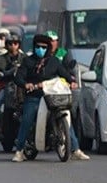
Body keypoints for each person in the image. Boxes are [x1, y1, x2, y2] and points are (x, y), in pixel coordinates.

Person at [11, 34, 90, 163]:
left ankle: (75, 150)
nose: (40, 49)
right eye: (38, 47)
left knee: (67, 119)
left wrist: (72, 82)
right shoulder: (28, 61)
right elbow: (19, 77)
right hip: (34, 97)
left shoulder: (54, 61)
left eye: (43, 47)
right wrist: (26, 84)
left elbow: (64, 74)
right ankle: (19, 151)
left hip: (53, 97)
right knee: (27, 119)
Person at [0, 34, 27, 125]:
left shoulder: (25, 58)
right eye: (10, 43)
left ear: (19, 45)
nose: (13, 46)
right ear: (6, 45)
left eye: (15, 43)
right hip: (6, 86)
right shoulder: (0, 58)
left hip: (23, 86)